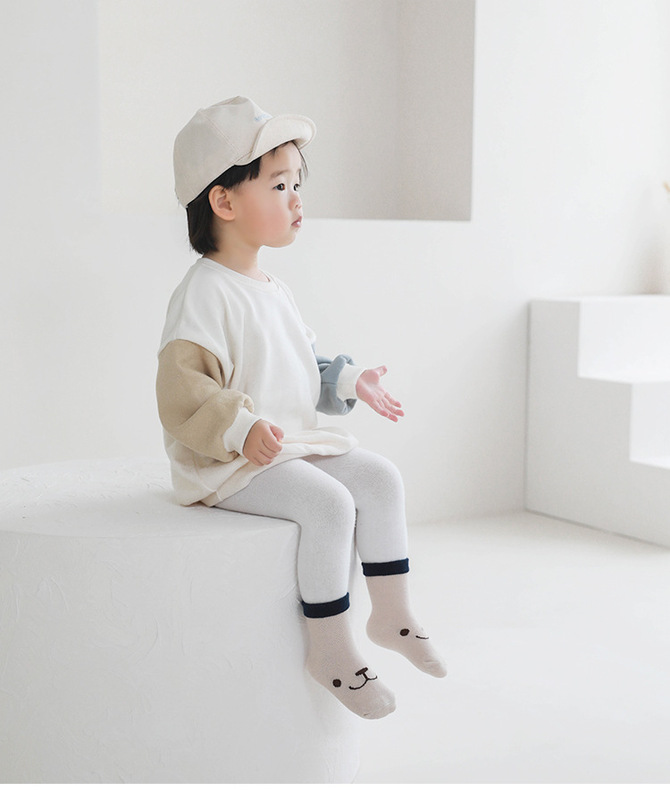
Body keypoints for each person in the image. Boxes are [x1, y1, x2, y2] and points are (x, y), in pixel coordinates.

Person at [157, 96, 446, 720]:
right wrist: (240, 428)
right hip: (229, 463)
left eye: (297, 185)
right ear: (224, 201)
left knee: (379, 477)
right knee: (328, 504)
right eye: (280, 185)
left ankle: (392, 615)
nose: (297, 200)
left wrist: (350, 380)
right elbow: (184, 391)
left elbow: (296, 366)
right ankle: (331, 649)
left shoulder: (273, 289)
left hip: (285, 446)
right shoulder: (204, 294)